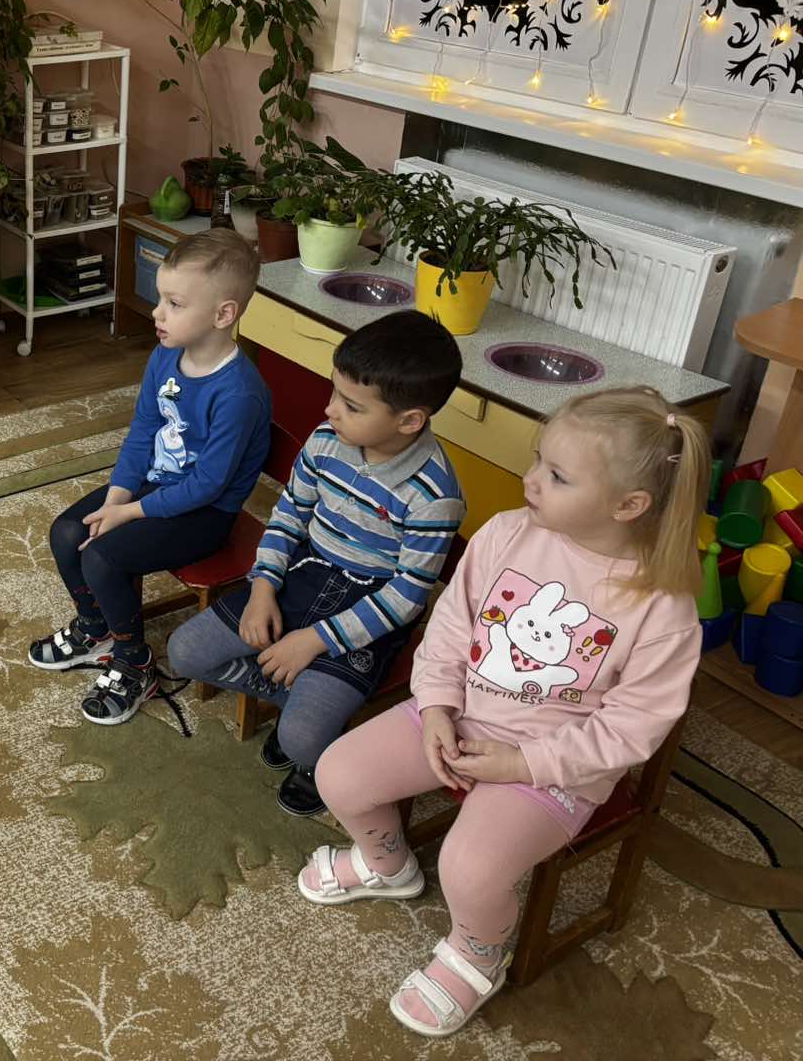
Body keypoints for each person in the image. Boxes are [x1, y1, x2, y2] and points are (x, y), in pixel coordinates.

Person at [297, 386, 709, 1039]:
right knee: (338, 772)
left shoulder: (663, 607)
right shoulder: (506, 531)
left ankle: (477, 951)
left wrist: (523, 763)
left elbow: (632, 730)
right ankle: (386, 863)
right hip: (460, 716)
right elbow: (451, 628)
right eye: (540, 459)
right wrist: (436, 707)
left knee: (471, 867)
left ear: (629, 505)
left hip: (555, 766)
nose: (531, 478)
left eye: (558, 475)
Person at [167, 308, 466, 815]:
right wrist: (263, 588)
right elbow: (288, 516)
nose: (329, 410)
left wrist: (314, 641)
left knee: (303, 741)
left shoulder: (435, 495)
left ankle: (308, 744)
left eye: (351, 405)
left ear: (409, 421)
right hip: (303, 575)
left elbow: (405, 598)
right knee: (185, 651)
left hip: (369, 610)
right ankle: (299, 703)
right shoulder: (327, 440)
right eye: (334, 393)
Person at [31, 228, 271, 725]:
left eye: (174, 303)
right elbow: (143, 432)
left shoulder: (239, 393)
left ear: (223, 315)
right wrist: (115, 499)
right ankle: (97, 626)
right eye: (161, 298)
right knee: (68, 532)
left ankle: (134, 661)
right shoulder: (165, 354)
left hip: (206, 513)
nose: (157, 313)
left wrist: (130, 512)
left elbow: (207, 485)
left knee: (101, 556)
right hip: (155, 487)